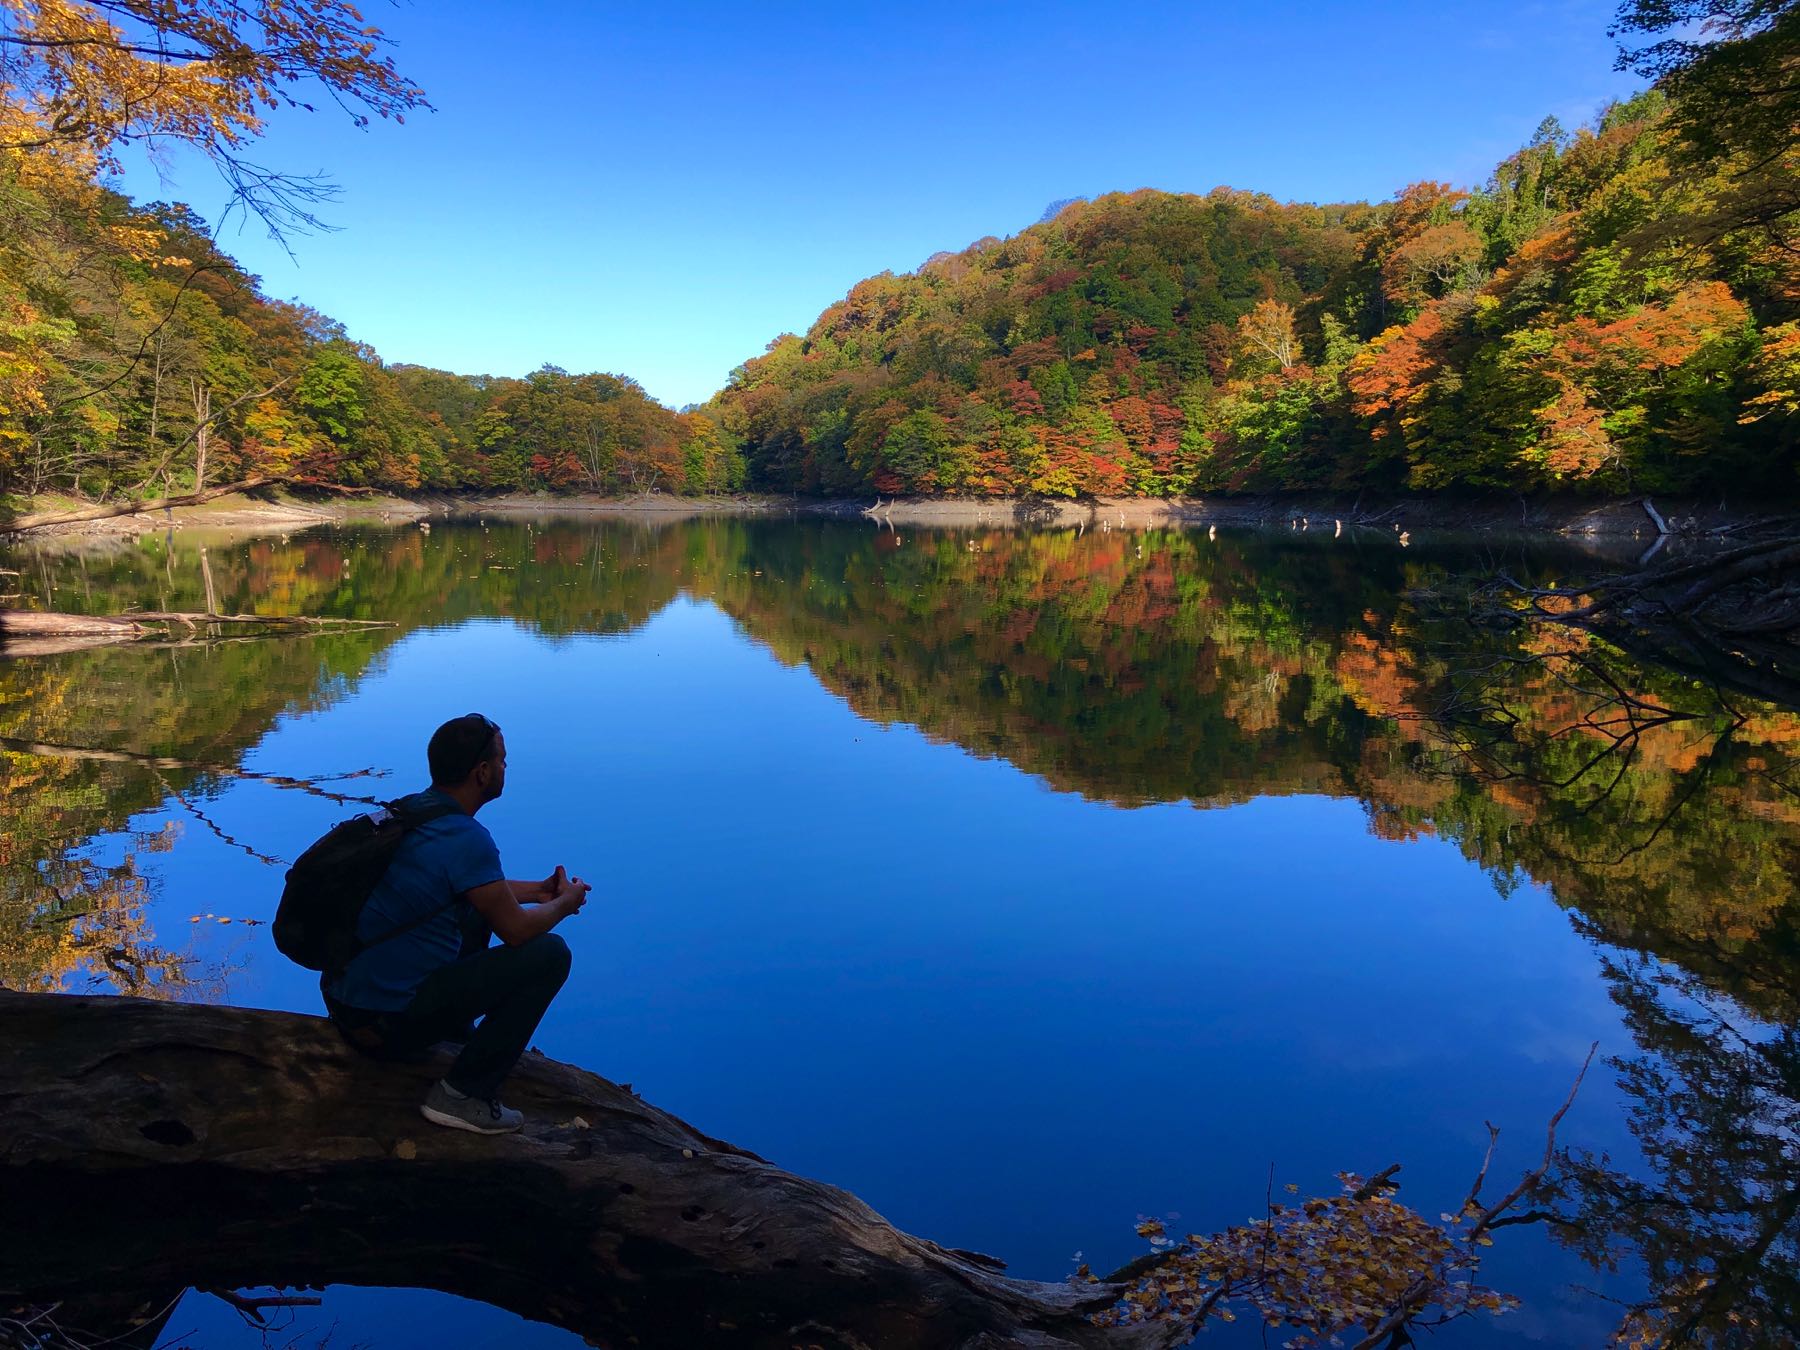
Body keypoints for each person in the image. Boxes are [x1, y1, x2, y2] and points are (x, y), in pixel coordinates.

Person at [322, 712, 590, 1134]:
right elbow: (517, 931)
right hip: (381, 1026)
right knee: (550, 955)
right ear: (482, 772)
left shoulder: (413, 812)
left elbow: (467, 888)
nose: (506, 768)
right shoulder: (467, 839)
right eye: (502, 760)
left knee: (475, 910)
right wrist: (564, 904)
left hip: (345, 1002)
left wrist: (538, 892)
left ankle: (455, 1033)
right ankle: (462, 1094)